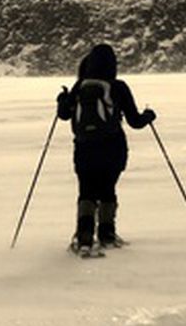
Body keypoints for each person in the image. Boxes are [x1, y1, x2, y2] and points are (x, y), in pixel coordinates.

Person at [57, 44, 156, 251]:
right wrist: (149, 116)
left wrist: (62, 101)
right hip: (113, 147)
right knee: (107, 189)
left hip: (84, 148)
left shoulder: (80, 86)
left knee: (86, 190)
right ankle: (107, 234)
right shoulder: (118, 86)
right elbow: (135, 122)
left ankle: (84, 235)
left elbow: (64, 115)